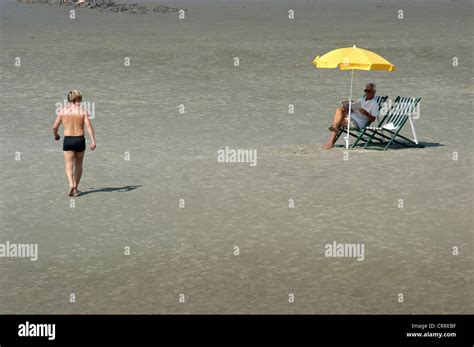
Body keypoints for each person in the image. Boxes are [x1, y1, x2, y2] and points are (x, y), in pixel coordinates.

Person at [53, 90, 96, 196]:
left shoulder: (62, 110)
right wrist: (93, 141)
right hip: (80, 140)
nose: (80, 101)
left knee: (68, 165)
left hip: (68, 140)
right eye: (80, 99)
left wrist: (56, 135)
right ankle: (76, 187)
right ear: (76, 98)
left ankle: (71, 184)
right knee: (78, 164)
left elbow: (55, 126)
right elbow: (89, 126)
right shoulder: (82, 111)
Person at [323, 83, 379, 149]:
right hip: (351, 117)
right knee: (340, 109)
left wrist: (366, 113)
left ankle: (331, 140)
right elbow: (354, 109)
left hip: (358, 123)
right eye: (365, 90)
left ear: (373, 92)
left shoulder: (374, 104)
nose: (366, 92)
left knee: (338, 121)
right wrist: (348, 106)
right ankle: (334, 133)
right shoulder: (361, 100)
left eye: (369, 91)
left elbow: (373, 119)